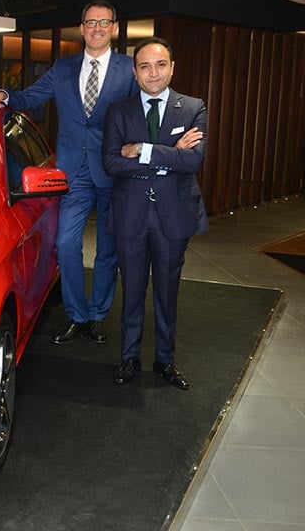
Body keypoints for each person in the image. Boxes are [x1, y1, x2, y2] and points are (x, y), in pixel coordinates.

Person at [0, 0, 138, 345]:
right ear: (82, 28)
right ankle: (77, 315)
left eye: (104, 22)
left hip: (114, 170)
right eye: (90, 22)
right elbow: (31, 97)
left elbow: (140, 113)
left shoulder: (129, 69)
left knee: (108, 249)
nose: (97, 28)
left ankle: (97, 315)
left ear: (113, 28)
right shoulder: (63, 67)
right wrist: (4, 94)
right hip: (73, 172)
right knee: (65, 243)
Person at [102, 36, 207, 389]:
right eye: (145, 66)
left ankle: (165, 361)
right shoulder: (118, 110)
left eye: (161, 65)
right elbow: (111, 162)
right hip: (130, 213)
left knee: (167, 291)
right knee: (131, 290)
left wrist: (143, 150)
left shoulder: (193, 108)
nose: (153, 73)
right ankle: (129, 358)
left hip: (173, 215)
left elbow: (193, 160)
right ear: (135, 72)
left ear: (172, 68)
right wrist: (170, 154)